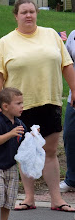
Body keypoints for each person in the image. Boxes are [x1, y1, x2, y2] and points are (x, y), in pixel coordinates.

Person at [0, 0, 75, 212]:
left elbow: (67, 65)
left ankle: (57, 199)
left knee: (50, 151)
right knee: (25, 151)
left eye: (32, 11)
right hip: (19, 106)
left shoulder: (51, 36)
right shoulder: (5, 42)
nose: (29, 15)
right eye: (24, 12)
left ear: (36, 14)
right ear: (16, 15)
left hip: (49, 100)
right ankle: (29, 198)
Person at [0, 87, 26, 220]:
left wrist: (34, 135)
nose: (22, 106)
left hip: (11, 165)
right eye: (18, 103)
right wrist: (10, 134)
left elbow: (24, 139)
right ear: (5, 106)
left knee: (9, 199)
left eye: (22, 103)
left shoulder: (19, 123)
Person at [60, 30, 75, 193]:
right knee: (70, 135)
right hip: (74, 95)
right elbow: (65, 62)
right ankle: (72, 179)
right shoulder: (73, 35)